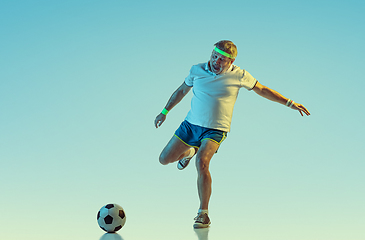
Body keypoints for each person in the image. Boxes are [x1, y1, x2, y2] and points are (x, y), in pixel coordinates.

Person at [154, 40, 310, 229]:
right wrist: (164, 112)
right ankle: (189, 152)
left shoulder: (239, 75)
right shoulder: (197, 70)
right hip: (190, 125)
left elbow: (262, 89)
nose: (216, 62)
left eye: (221, 60)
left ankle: (203, 214)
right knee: (164, 159)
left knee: (202, 163)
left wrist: (289, 103)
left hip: (216, 129)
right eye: (214, 57)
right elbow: (181, 91)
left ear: (231, 61)